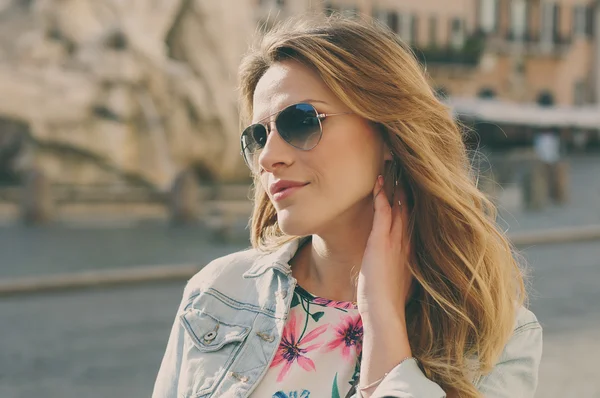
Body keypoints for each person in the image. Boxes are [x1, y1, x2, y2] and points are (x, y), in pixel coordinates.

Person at [152, 15, 542, 398]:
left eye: (302, 122)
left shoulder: (495, 338)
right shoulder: (218, 292)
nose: (268, 157)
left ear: (389, 135)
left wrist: (383, 321)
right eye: (258, 135)